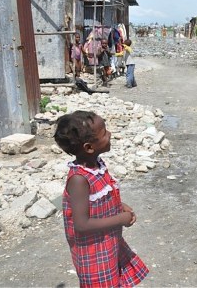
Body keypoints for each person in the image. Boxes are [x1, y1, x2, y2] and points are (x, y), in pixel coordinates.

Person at [54, 110, 148, 287]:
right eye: (104, 133)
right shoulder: (79, 180)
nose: (110, 134)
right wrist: (120, 219)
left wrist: (119, 205)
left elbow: (99, 200)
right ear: (89, 147)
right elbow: (82, 225)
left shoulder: (97, 166)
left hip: (108, 244)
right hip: (93, 254)